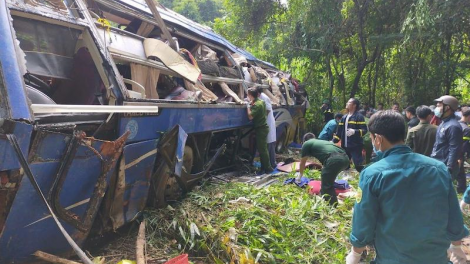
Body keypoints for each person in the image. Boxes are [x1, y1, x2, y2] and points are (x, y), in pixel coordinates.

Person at [347, 110, 469, 264]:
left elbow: (364, 220)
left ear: (378, 139)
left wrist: (355, 254)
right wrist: (456, 246)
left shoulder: (372, 174)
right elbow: (453, 212)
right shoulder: (438, 168)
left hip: (393, 259)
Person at [296, 134, 349, 205]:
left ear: (304, 141)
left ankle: (332, 206)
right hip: (346, 159)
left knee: (326, 185)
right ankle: (326, 198)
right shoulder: (321, 142)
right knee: (326, 175)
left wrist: (299, 176)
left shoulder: (307, 143)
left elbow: (302, 163)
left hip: (334, 159)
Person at [431, 95, 463, 185]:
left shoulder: (453, 126)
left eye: (439, 106)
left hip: (444, 166)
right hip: (438, 164)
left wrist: (449, 168)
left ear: (447, 107)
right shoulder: (443, 123)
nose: (436, 108)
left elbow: (454, 149)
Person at [334, 98, 368, 172]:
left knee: (358, 164)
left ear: (354, 105)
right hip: (345, 146)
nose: (347, 103)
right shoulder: (344, 117)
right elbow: (339, 130)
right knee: (345, 164)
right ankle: (347, 179)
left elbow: (364, 130)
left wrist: (354, 131)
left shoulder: (359, 117)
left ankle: (362, 177)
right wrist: (334, 140)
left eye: (349, 102)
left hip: (355, 145)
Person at [246, 88, 273, 174]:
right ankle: (264, 167)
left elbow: (250, 116)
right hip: (263, 128)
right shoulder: (261, 102)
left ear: (250, 95)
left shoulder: (257, 105)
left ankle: (268, 168)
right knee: (262, 149)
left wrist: (248, 107)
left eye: (248, 95)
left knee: (262, 150)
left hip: (261, 129)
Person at [257, 87, 277, 169]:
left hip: (267, 122)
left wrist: (262, 118)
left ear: (258, 93)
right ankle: (272, 163)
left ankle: (269, 165)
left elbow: (268, 110)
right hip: (266, 123)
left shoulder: (264, 98)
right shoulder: (259, 97)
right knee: (269, 145)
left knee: (268, 145)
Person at [456, 107, 470, 193]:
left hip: (450, 151)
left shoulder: (455, 124)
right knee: (460, 172)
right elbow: (464, 145)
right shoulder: (467, 129)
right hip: (459, 154)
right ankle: (461, 190)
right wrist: (461, 157)